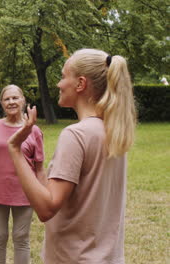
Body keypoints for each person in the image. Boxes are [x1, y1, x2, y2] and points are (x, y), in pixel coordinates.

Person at [7, 48, 136, 263]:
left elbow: (46, 208)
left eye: (63, 76)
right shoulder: (113, 131)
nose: (58, 84)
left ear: (80, 84)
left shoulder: (76, 135)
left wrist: (15, 150)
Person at [0, 85, 45, 264]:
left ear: (23, 100)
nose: (11, 102)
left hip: (25, 193)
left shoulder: (34, 131)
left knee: (21, 238)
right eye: (7, 99)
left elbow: (39, 168)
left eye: (15, 98)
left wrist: (43, 198)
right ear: (1, 103)